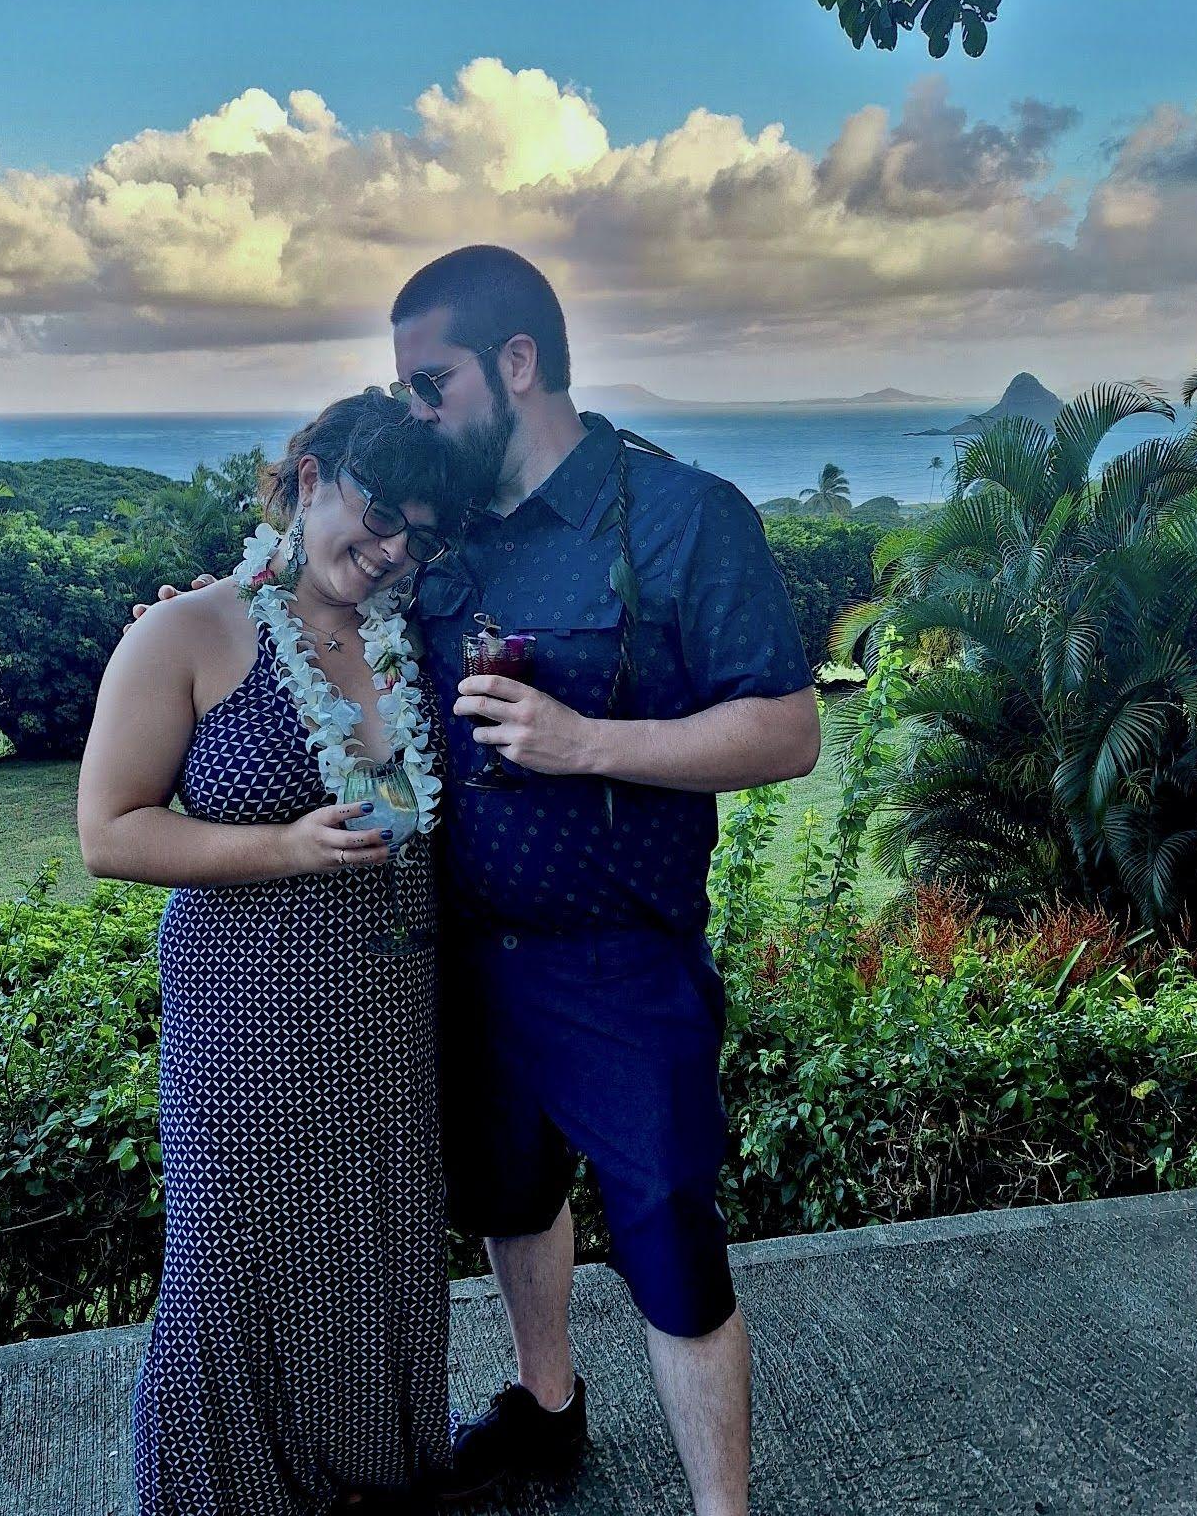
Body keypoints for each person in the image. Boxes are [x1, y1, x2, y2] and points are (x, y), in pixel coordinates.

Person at [133, 247, 821, 1516]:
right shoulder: (439, 545)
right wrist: (203, 617)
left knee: (672, 1241)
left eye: (429, 380)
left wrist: (589, 742)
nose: (413, 406)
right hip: (453, 951)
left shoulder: (682, 516)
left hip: (618, 957)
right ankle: (546, 1408)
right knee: (508, 1195)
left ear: (517, 362)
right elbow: (322, 620)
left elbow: (787, 730)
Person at [81, 388, 469, 1515]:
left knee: (374, 1253)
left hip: (392, 1014)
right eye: (380, 515)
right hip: (248, 1025)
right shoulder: (187, 632)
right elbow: (109, 831)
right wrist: (285, 848)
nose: (392, 551)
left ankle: (372, 1474)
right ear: (309, 479)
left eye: (418, 536)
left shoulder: (412, 630)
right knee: (236, 1270)